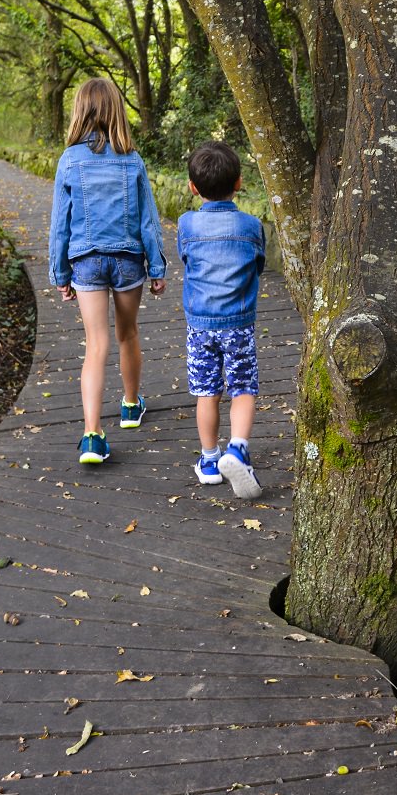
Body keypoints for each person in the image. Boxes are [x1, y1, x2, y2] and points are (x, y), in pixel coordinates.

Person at [48, 78, 165, 465]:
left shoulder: (69, 160)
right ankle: (131, 406)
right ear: (116, 111)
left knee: (95, 345)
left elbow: (59, 226)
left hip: (86, 261)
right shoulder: (132, 159)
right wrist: (158, 266)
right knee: (127, 334)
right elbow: (149, 221)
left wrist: (61, 273)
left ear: (80, 112)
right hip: (129, 258)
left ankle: (93, 436)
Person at [177, 140, 265, 498]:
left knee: (206, 392)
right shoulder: (251, 225)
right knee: (243, 387)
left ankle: (210, 459)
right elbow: (258, 265)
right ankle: (238, 448)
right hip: (239, 323)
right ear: (239, 183)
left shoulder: (187, 224)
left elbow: (186, 260)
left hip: (200, 325)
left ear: (192, 188)